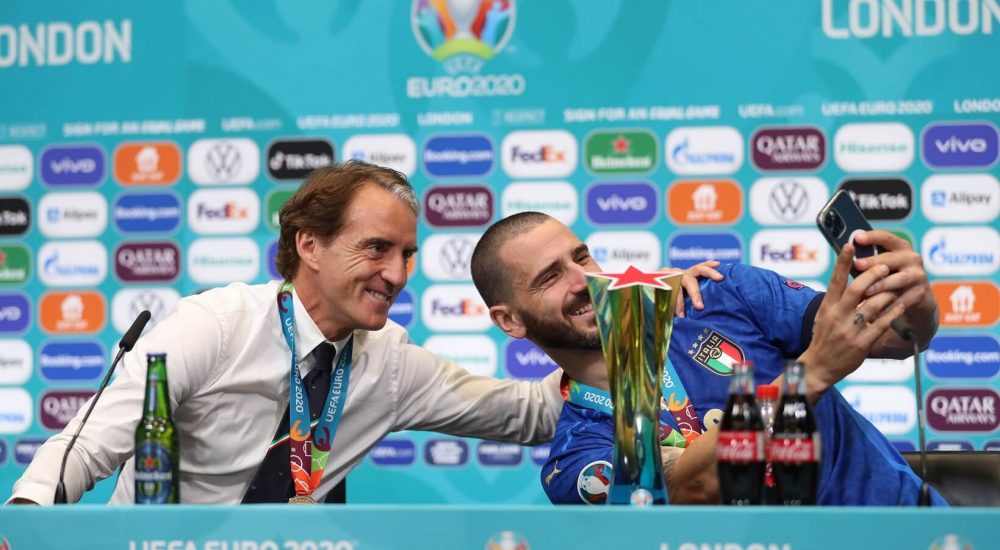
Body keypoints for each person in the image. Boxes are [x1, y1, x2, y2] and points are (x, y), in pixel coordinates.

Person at [9, 161, 565, 505]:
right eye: (376, 248)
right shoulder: (215, 326)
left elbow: (533, 414)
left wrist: (597, 327)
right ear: (309, 244)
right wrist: (26, 525)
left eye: (406, 254)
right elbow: (87, 447)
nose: (397, 275)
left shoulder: (392, 363)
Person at [470, 211, 946, 506]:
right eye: (549, 277)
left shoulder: (715, 294)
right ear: (509, 321)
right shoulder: (577, 457)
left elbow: (895, 338)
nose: (583, 281)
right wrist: (811, 375)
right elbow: (693, 489)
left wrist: (916, 306)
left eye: (582, 257)